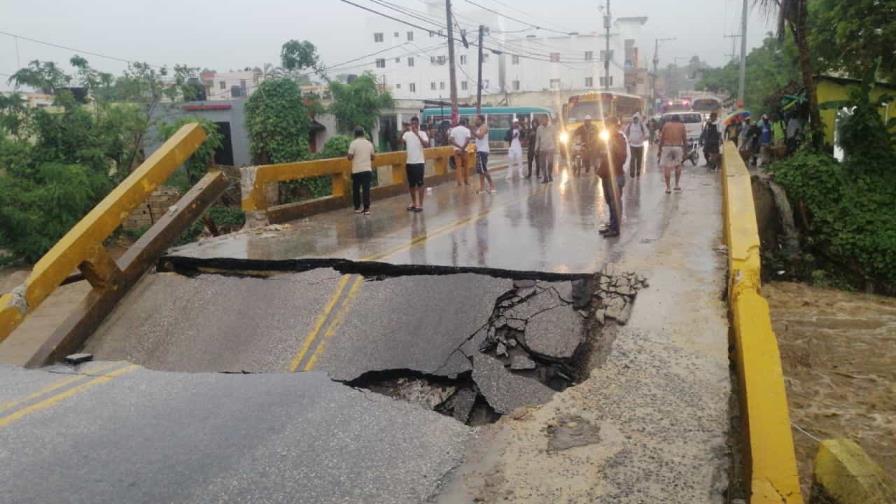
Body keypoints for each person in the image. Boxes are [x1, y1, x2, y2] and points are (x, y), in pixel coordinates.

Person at [598, 117, 628, 238]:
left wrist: (611, 161)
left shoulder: (619, 139)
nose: (607, 128)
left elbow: (622, 157)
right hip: (606, 174)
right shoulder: (607, 139)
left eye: (609, 126)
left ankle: (616, 228)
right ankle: (612, 224)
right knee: (609, 201)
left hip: (615, 174)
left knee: (615, 202)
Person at [401, 116, 429, 212]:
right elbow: (400, 141)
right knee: (411, 184)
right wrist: (404, 130)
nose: (413, 126)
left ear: (418, 124)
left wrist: (417, 134)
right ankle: (413, 202)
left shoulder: (423, 133)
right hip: (409, 162)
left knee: (420, 184)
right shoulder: (407, 134)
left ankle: (420, 204)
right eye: (412, 124)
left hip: (419, 162)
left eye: (415, 124)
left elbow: (426, 145)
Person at [347, 126, 376, 215]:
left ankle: (357, 208)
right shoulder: (369, 143)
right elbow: (373, 157)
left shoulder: (353, 144)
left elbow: (349, 157)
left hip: (357, 170)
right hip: (367, 169)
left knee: (356, 189)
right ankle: (366, 209)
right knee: (366, 189)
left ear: (355, 134)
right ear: (363, 134)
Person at [657, 113, 687, 193]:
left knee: (667, 167)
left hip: (667, 147)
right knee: (678, 165)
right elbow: (684, 139)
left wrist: (659, 150)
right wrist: (685, 151)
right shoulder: (681, 126)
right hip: (678, 147)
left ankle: (668, 188)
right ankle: (676, 185)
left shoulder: (666, 125)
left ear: (671, 120)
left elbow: (661, 139)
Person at [473, 114, 496, 194]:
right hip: (479, 150)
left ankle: (492, 185)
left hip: (483, 151)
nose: (475, 121)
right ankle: (482, 188)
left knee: (484, 169)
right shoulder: (479, 128)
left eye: (477, 119)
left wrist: (473, 132)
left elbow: (480, 136)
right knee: (481, 171)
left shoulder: (484, 127)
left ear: (481, 120)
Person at [449, 118, 472, 187]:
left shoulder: (454, 130)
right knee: (466, 166)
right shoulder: (467, 130)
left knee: (458, 167)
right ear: (465, 123)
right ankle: (466, 181)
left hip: (457, 151)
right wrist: (462, 148)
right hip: (465, 151)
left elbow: (451, 140)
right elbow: (467, 140)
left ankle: (459, 182)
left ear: (459, 123)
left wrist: (459, 147)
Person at [625, 113, 648, 177]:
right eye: (634, 119)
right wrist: (628, 139)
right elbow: (625, 132)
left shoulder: (641, 125)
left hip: (640, 146)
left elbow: (647, 133)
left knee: (639, 160)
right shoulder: (630, 125)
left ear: (638, 119)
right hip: (632, 145)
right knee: (632, 159)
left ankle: (638, 172)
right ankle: (632, 172)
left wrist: (644, 138)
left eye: (636, 119)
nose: (635, 120)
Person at [535, 115, 557, 183]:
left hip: (550, 148)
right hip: (542, 148)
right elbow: (537, 139)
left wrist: (556, 146)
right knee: (542, 164)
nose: (543, 121)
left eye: (544, 119)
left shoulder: (552, 127)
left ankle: (549, 174)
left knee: (550, 163)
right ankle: (545, 177)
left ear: (547, 120)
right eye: (542, 120)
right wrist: (536, 148)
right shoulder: (539, 128)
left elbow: (555, 137)